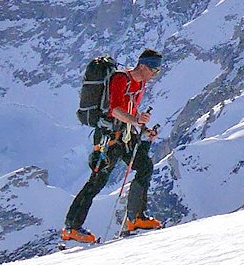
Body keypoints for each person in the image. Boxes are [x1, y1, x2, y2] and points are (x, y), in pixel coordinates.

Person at [61, 49, 166, 243]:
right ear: (142, 66)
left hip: (125, 134)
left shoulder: (140, 84)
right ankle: (72, 228)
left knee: (145, 167)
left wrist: (145, 128)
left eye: (157, 70)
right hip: (109, 136)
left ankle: (136, 218)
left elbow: (130, 109)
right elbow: (115, 109)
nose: (155, 74)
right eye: (153, 69)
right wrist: (136, 121)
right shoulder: (120, 79)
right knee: (97, 181)